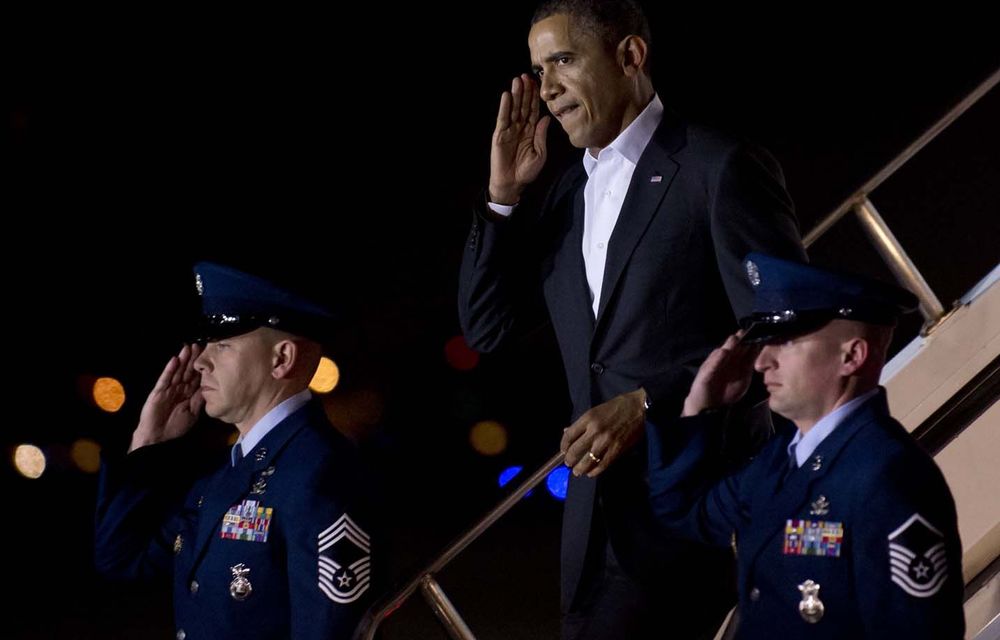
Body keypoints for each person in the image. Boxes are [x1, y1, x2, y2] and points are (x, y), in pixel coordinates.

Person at [457, 0, 806, 637]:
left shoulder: (718, 167)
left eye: (562, 59)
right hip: (594, 533)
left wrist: (647, 403)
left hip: (695, 517)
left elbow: (785, 335)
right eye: (537, 69)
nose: (547, 87)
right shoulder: (568, 193)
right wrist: (502, 198)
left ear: (630, 56)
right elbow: (487, 327)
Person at [647, 253, 964, 639]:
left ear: (851, 356)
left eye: (785, 341)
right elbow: (684, 511)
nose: (762, 361)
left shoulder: (890, 478)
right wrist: (701, 405)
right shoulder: (780, 459)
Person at [95, 262, 377, 640]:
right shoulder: (225, 474)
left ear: (282, 359)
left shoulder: (320, 473)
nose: (199, 361)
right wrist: (148, 443)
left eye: (222, 345)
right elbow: (121, 562)